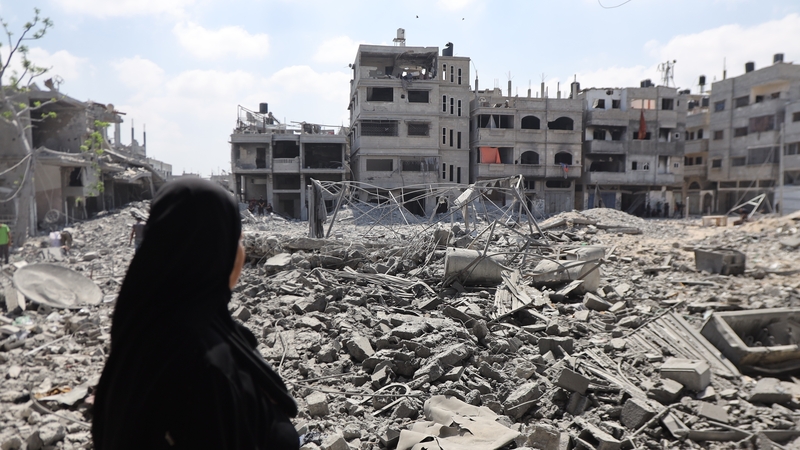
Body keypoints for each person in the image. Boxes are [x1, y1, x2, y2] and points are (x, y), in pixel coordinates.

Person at [93, 178, 299, 450]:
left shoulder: (141, 331)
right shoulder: (205, 367)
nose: (242, 251)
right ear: (213, 249)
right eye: (237, 239)